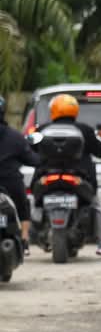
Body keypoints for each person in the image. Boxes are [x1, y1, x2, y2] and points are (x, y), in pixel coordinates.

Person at [33, 94, 101, 257]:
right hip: (78, 177)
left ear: (53, 110)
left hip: (47, 177)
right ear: (75, 110)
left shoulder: (41, 130)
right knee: (96, 205)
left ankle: (24, 243)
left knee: (33, 202)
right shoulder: (85, 130)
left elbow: (29, 149)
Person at [0, 96, 40, 255]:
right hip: (10, 183)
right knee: (23, 207)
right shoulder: (15, 137)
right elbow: (33, 160)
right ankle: (24, 241)